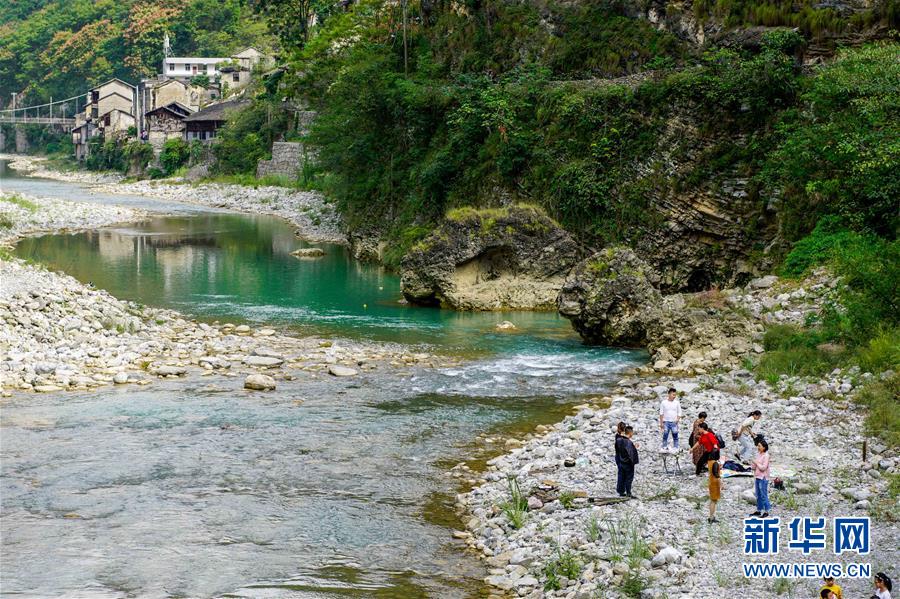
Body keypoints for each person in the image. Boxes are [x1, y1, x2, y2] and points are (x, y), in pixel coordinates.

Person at [615, 426, 640, 498]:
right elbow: (630, 453)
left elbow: (619, 450)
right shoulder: (629, 442)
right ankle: (628, 493)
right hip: (628, 463)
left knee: (621, 477)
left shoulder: (619, 440)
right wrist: (633, 462)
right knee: (629, 478)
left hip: (620, 461)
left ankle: (620, 491)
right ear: (630, 433)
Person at [749, 437, 771, 517]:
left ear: (764, 447)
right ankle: (759, 510)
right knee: (758, 494)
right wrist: (753, 464)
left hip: (763, 477)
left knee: (763, 494)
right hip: (757, 476)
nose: (758, 448)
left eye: (759, 446)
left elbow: (763, 468)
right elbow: (755, 466)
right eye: (758, 446)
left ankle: (766, 511)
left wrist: (756, 463)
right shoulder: (758, 454)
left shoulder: (766, 456)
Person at [707, 449, 722, 523]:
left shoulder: (709, 462)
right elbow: (716, 474)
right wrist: (721, 482)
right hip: (715, 483)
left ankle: (711, 516)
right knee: (714, 501)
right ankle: (711, 517)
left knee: (712, 500)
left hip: (711, 482)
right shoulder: (715, 463)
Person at [614, 421, 626, 495]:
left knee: (621, 473)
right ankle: (621, 490)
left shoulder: (617, 436)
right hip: (622, 457)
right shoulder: (622, 438)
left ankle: (620, 489)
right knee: (623, 474)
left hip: (618, 456)